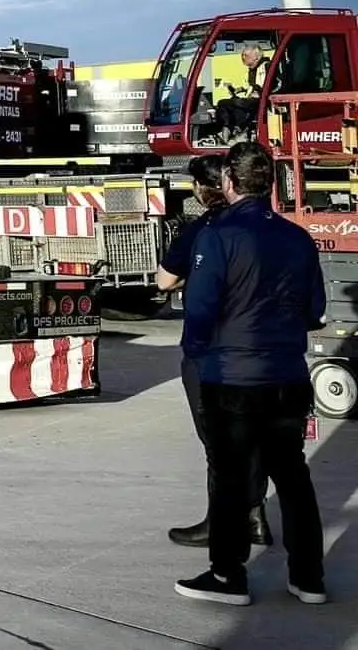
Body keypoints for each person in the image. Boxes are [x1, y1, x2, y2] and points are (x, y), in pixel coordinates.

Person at [175, 140, 327, 607]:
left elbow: (198, 310)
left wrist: (200, 353)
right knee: (292, 476)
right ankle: (309, 577)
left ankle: (228, 574)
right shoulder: (298, 237)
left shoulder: (218, 236)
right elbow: (315, 310)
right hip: (287, 374)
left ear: (228, 183)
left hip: (234, 373)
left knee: (230, 476)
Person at [158, 155, 268, 549]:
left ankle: (221, 526)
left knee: (217, 443)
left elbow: (166, 280)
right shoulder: (274, 229)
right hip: (263, 349)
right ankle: (255, 516)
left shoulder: (203, 230)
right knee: (255, 436)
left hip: (214, 351)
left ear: (208, 188)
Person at [212, 44, 269, 139]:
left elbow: (274, 84)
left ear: (256, 56)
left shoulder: (267, 66)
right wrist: (239, 89)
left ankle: (232, 129)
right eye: (243, 55)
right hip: (252, 99)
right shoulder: (251, 70)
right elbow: (248, 86)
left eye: (246, 55)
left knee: (234, 103)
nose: (243, 57)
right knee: (225, 103)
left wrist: (261, 93)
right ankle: (229, 128)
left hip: (262, 100)